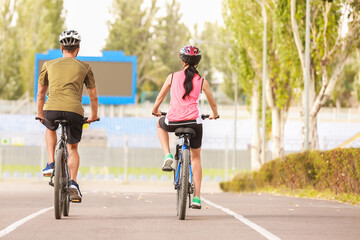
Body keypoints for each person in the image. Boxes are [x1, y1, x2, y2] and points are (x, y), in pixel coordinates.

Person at [152, 45, 219, 209]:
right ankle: (196, 197)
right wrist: (214, 114)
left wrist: (155, 111)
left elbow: (160, 97)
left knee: (159, 125)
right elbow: (212, 103)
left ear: (182, 61)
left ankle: (167, 155)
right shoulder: (202, 81)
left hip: (173, 121)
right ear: (197, 63)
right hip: (194, 123)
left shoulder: (172, 77)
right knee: (196, 158)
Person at [36, 30, 99, 201]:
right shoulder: (85, 67)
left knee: (49, 127)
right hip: (74, 111)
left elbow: (41, 94)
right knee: (72, 148)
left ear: (61, 47)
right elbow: (93, 96)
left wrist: (40, 114)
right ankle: (73, 181)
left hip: (52, 109)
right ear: (77, 49)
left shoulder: (48, 65)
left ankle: (50, 163)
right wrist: (93, 116)